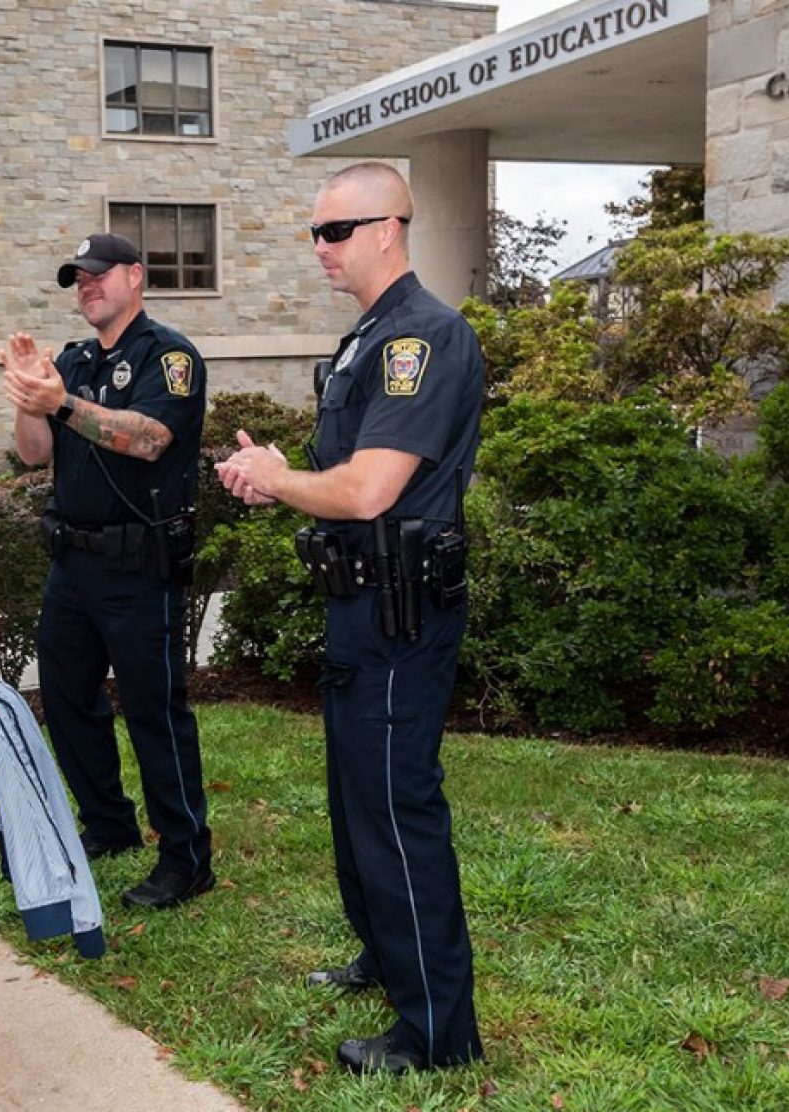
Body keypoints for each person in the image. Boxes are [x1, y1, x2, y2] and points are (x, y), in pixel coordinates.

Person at [218, 160, 485, 1075]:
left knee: (396, 809)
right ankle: (385, 955)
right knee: (354, 801)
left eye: (335, 231)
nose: (321, 249)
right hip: (361, 603)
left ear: (389, 229)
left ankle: (436, 1034)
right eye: (315, 234)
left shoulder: (422, 339)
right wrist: (284, 476)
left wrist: (282, 479)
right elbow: (348, 478)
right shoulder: (370, 337)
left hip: (400, 612)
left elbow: (372, 490)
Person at [0, 232, 216, 911]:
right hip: (74, 561)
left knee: (155, 712)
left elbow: (148, 438)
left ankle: (186, 856)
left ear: (135, 276)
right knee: (67, 701)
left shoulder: (169, 356)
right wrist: (30, 398)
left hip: (138, 565)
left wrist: (61, 402)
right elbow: (36, 456)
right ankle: (109, 823)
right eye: (77, 279)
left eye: (97, 275)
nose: (86, 286)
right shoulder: (74, 360)